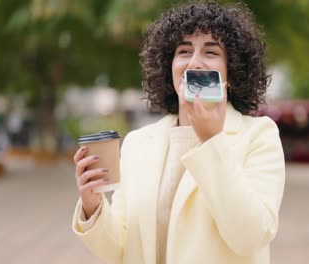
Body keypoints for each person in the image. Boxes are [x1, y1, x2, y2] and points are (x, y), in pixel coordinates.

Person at [72, 1, 285, 263]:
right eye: (184, 51)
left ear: (233, 70)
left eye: (211, 52)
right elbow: (121, 249)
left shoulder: (259, 135)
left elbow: (251, 237)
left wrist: (211, 140)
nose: (194, 62)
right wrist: (92, 204)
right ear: (169, 65)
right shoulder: (138, 143)